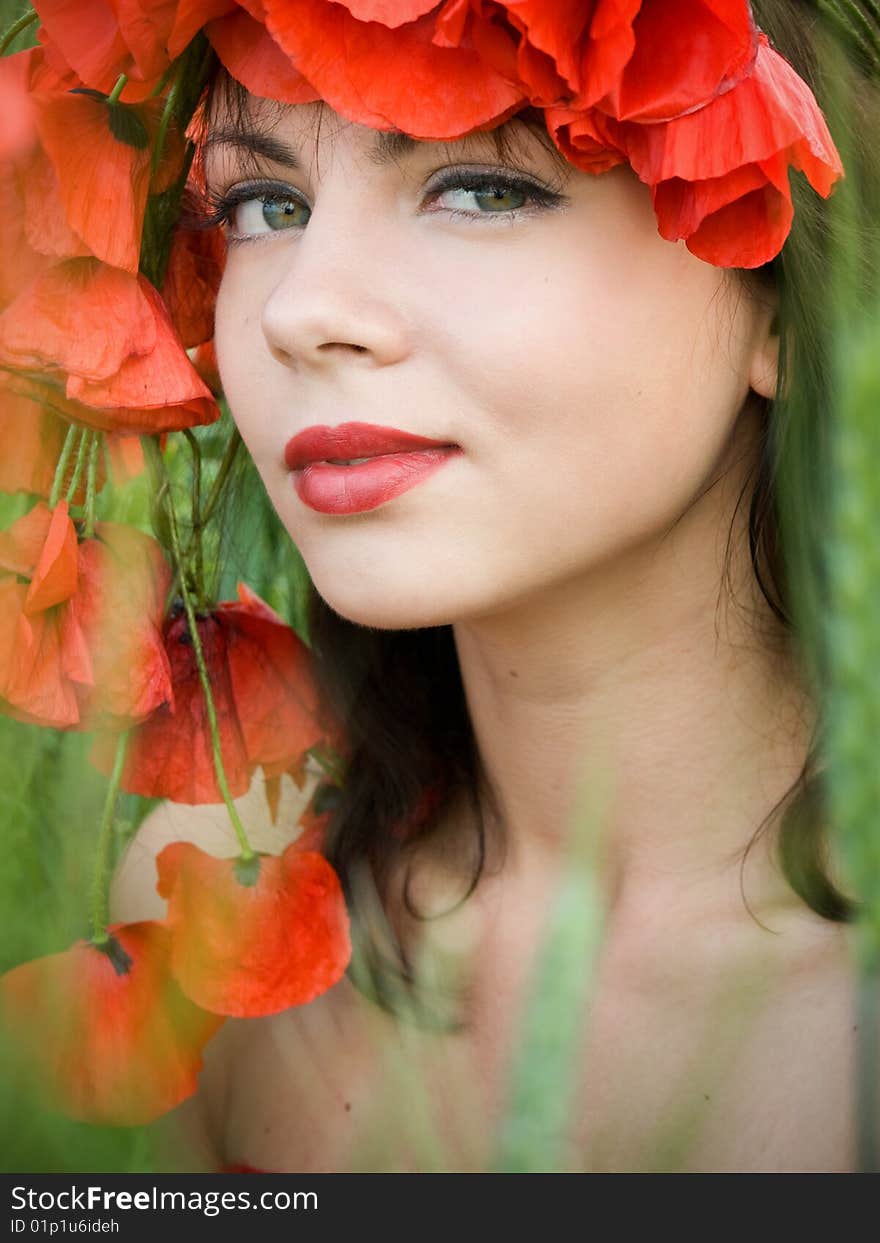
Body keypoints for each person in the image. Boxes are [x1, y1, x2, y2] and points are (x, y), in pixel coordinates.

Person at [104, 0, 879, 1172]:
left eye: (482, 187)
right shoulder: (217, 905)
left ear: (775, 285)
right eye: (264, 205)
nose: (305, 310)